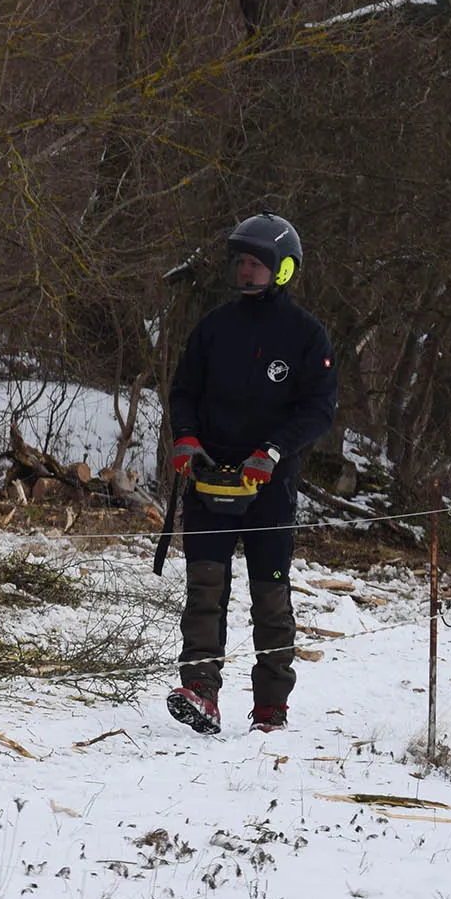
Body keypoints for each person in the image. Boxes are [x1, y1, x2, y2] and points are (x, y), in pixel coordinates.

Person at [163, 212, 338, 734]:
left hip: (271, 488)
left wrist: (274, 451)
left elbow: (318, 409)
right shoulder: (214, 327)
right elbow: (184, 390)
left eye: (256, 263)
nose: (245, 271)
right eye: (240, 261)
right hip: (209, 481)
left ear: (283, 270)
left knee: (271, 596)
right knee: (205, 589)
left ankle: (270, 708)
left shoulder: (307, 336)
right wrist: (186, 436)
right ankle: (200, 691)